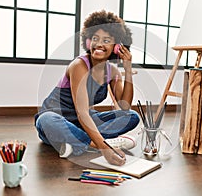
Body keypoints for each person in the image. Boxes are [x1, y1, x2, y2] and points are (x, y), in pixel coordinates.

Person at [35, 10, 140, 166]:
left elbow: (124, 107)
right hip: (58, 119)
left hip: (82, 123)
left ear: (117, 46)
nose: (98, 44)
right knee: (46, 120)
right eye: (95, 38)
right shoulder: (79, 65)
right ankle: (96, 144)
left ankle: (77, 143)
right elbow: (81, 112)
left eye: (106, 40)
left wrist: (128, 69)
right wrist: (104, 148)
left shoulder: (113, 72)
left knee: (131, 116)